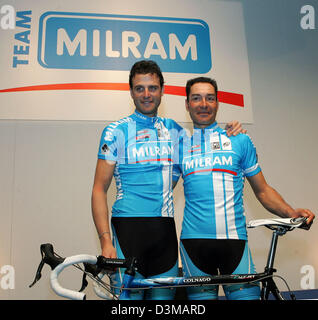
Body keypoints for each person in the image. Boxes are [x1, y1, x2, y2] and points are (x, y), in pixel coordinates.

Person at [91, 60, 244, 300]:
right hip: (127, 232)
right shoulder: (115, 131)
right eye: (139, 88)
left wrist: (231, 131)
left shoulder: (177, 132)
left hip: (164, 233)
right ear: (131, 91)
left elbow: (207, 152)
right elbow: (99, 190)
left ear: (162, 90)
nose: (146, 94)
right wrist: (105, 242)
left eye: (152, 87)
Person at [174, 76, 315, 300]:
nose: (203, 104)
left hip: (235, 243)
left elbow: (262, 190)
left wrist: (290, 212)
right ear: (187, 104)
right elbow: (160, 193)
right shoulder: (180, 145)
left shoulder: (239, 140)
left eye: (210, 98)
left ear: (217, 103)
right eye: (196, 98)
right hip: (194, 245)